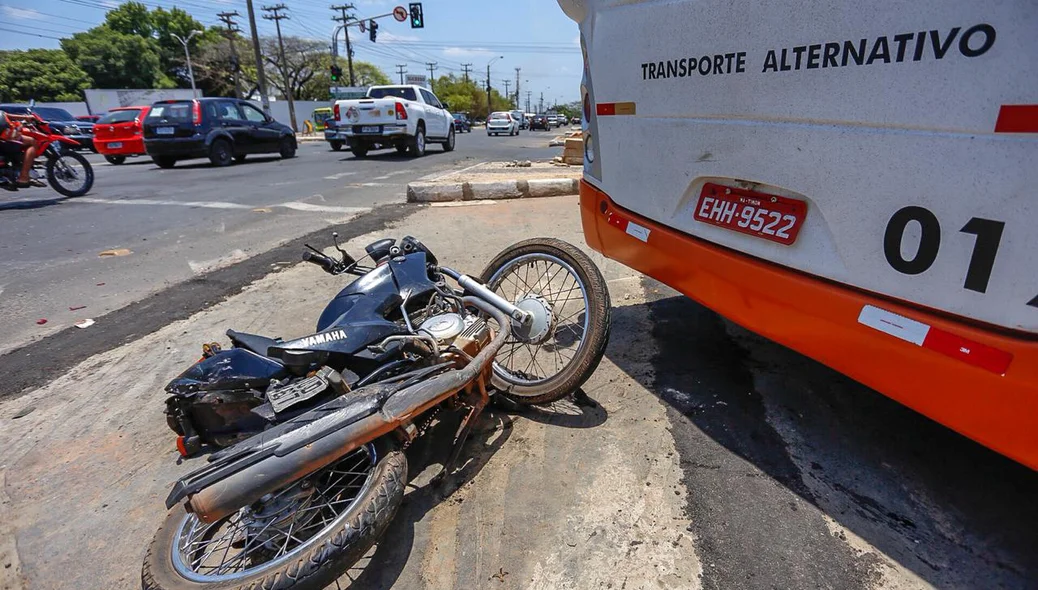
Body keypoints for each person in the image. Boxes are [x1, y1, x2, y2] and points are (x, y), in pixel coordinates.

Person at [0, 110, 43, 188]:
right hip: (3, 142)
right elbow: (6, 116)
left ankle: (16, 168)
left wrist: (25, 117)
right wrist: (27, 117)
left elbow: (6, 115)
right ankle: (24, 177)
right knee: (32, 142)